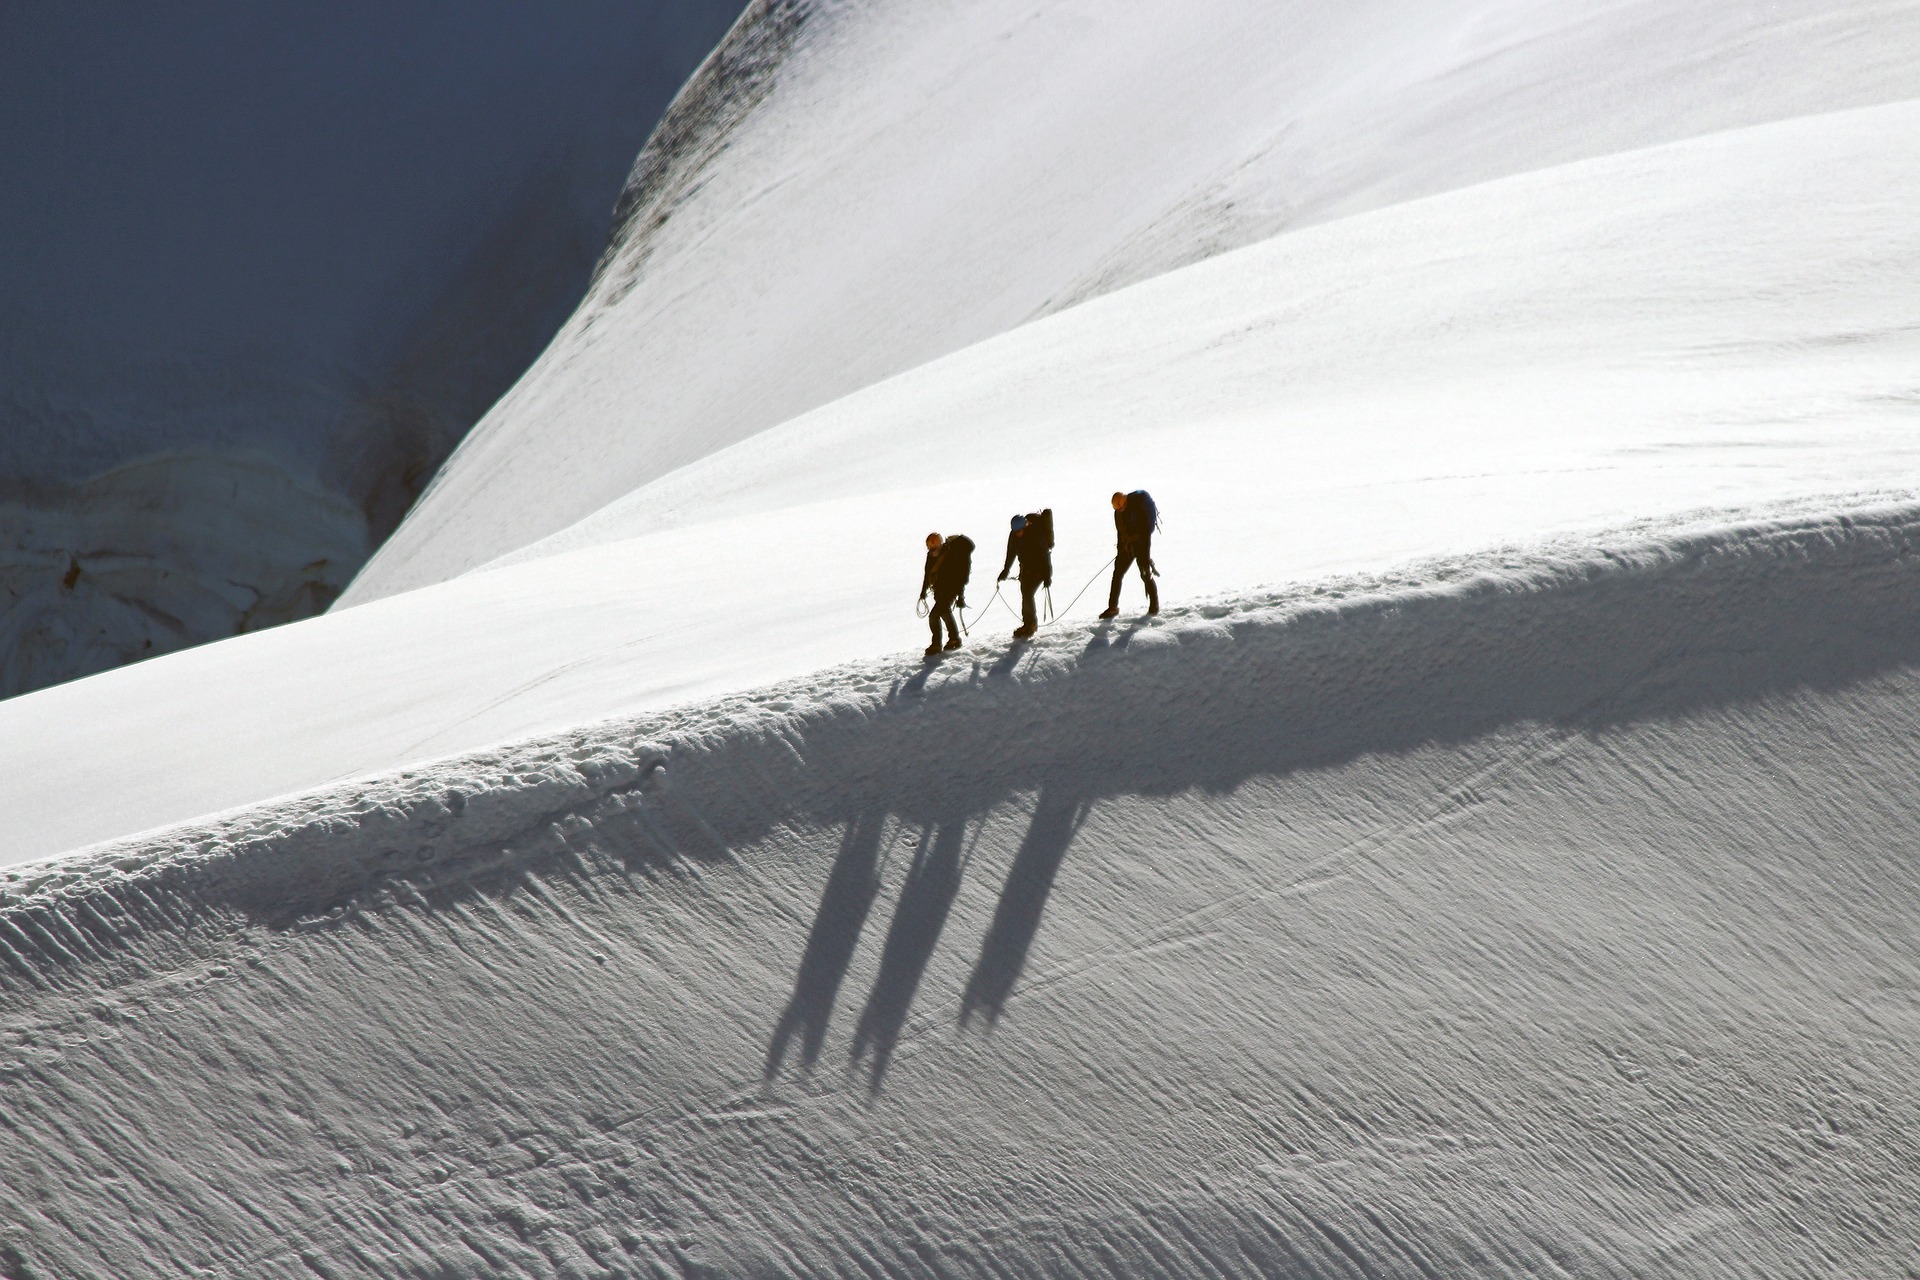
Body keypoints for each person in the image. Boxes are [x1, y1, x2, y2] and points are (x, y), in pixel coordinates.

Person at [1100, 490, 1158, 618]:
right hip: (1127, 546)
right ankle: (1112, 607)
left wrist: (1141, 547)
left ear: (1125, 502)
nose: (1120, 510)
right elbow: (1120, 532)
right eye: (1118, 509)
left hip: (1142, 544)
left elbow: (1146, 531)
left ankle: (1154, 605)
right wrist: (1121, 549)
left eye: (1121, 507)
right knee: (1117, 573)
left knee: (1145, 573)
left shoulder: (1137, 507)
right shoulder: (1118, 514)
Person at [997, 510, 1053, 639]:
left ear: (1025, 526)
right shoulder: (1014, 535)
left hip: (1039, 569)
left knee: (1028, 594)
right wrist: (1006, 570)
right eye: (1015, 532)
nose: (1017, 534)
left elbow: (1045, 554)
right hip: (1026, 569)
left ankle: (1031, 624)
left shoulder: (1036, 534)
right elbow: (1011, 552)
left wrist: (1047, 575)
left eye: (1019, 531)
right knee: (1025, 594)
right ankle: (1027, 623)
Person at [919, 531, 972, 656]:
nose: (932, 552)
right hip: (940, 591)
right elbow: (927, 574)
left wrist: (960, 596)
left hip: (951, 590)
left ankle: (937, 644)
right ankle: (954, 639)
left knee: (934, 615)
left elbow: (959, 577)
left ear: (940, 545)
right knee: (944, 612)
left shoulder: (951, 555)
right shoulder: (931, 557)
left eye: (934, 548)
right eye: (930, 549)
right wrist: (923, 592)